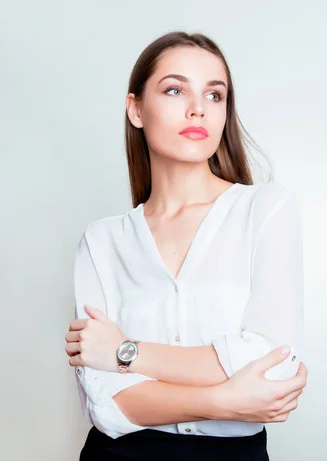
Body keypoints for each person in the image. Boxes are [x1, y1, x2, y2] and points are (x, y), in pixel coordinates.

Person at [63, 31, 307, 461]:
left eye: (215, 95)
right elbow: (108, 401)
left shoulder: (264, 210)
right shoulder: (102, 241)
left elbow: (272, 362)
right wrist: (224, 401)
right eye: (175, 90)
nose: (198, 108)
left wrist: (125, 352)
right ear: (136, 109)